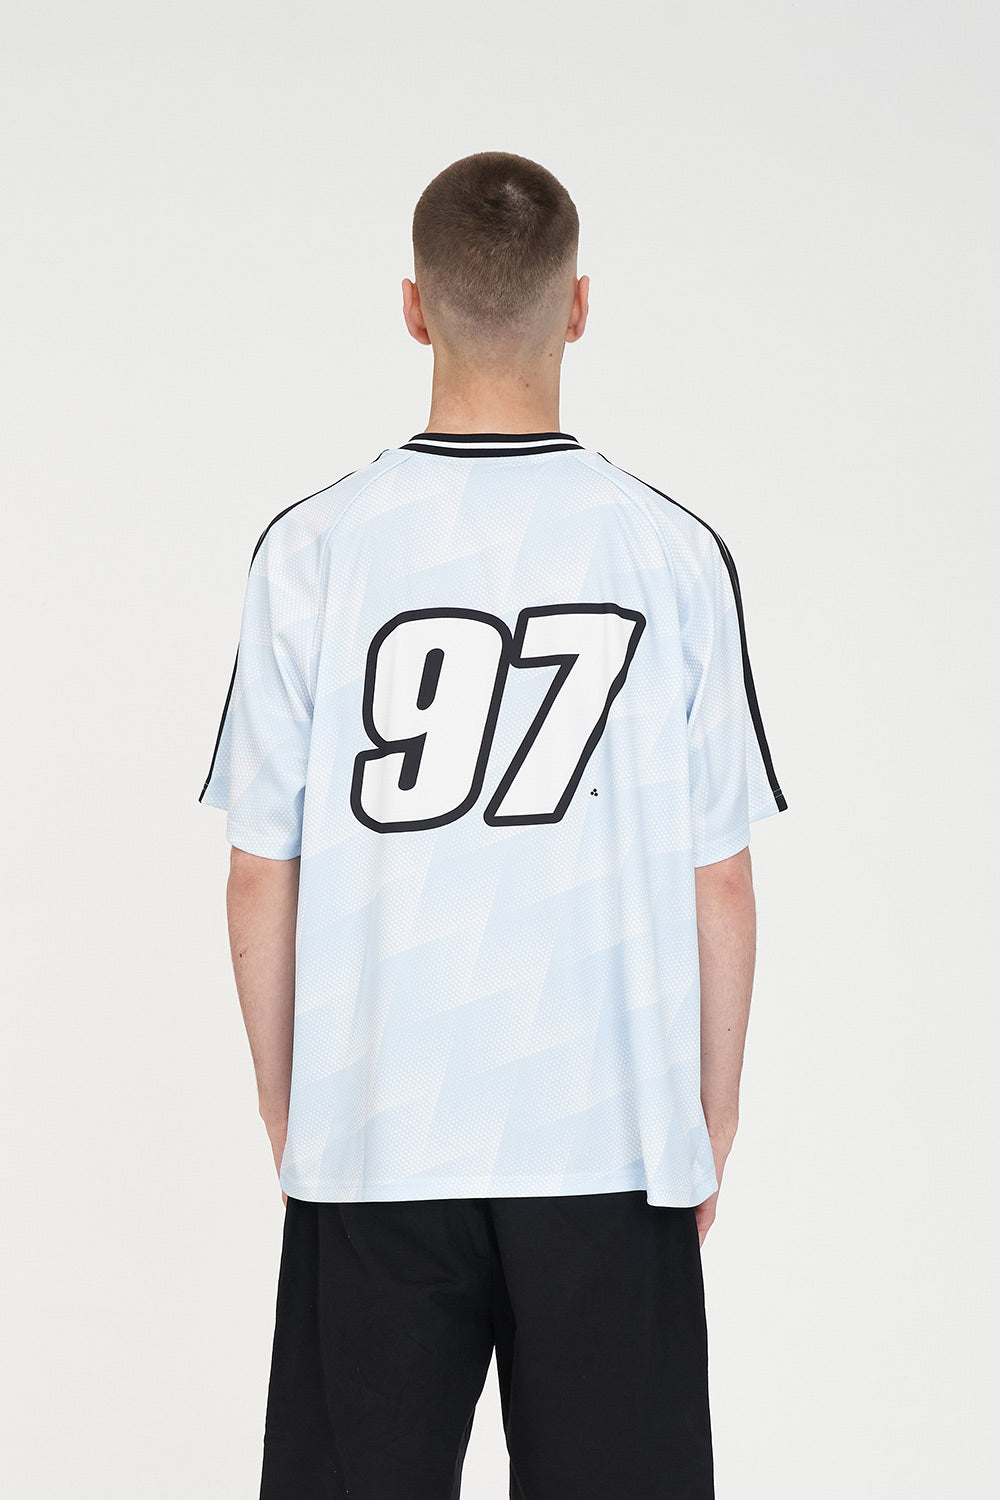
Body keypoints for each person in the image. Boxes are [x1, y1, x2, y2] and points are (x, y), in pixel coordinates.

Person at [198, 149, 788, 1500]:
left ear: (413, 309)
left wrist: (294, 1112)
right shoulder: (671, 552)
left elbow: (259, 873)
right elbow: (721, 878)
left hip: (377, 1132)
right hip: (610, 1141)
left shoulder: (313, 550)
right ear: (578, 305)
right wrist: (709, 1117)